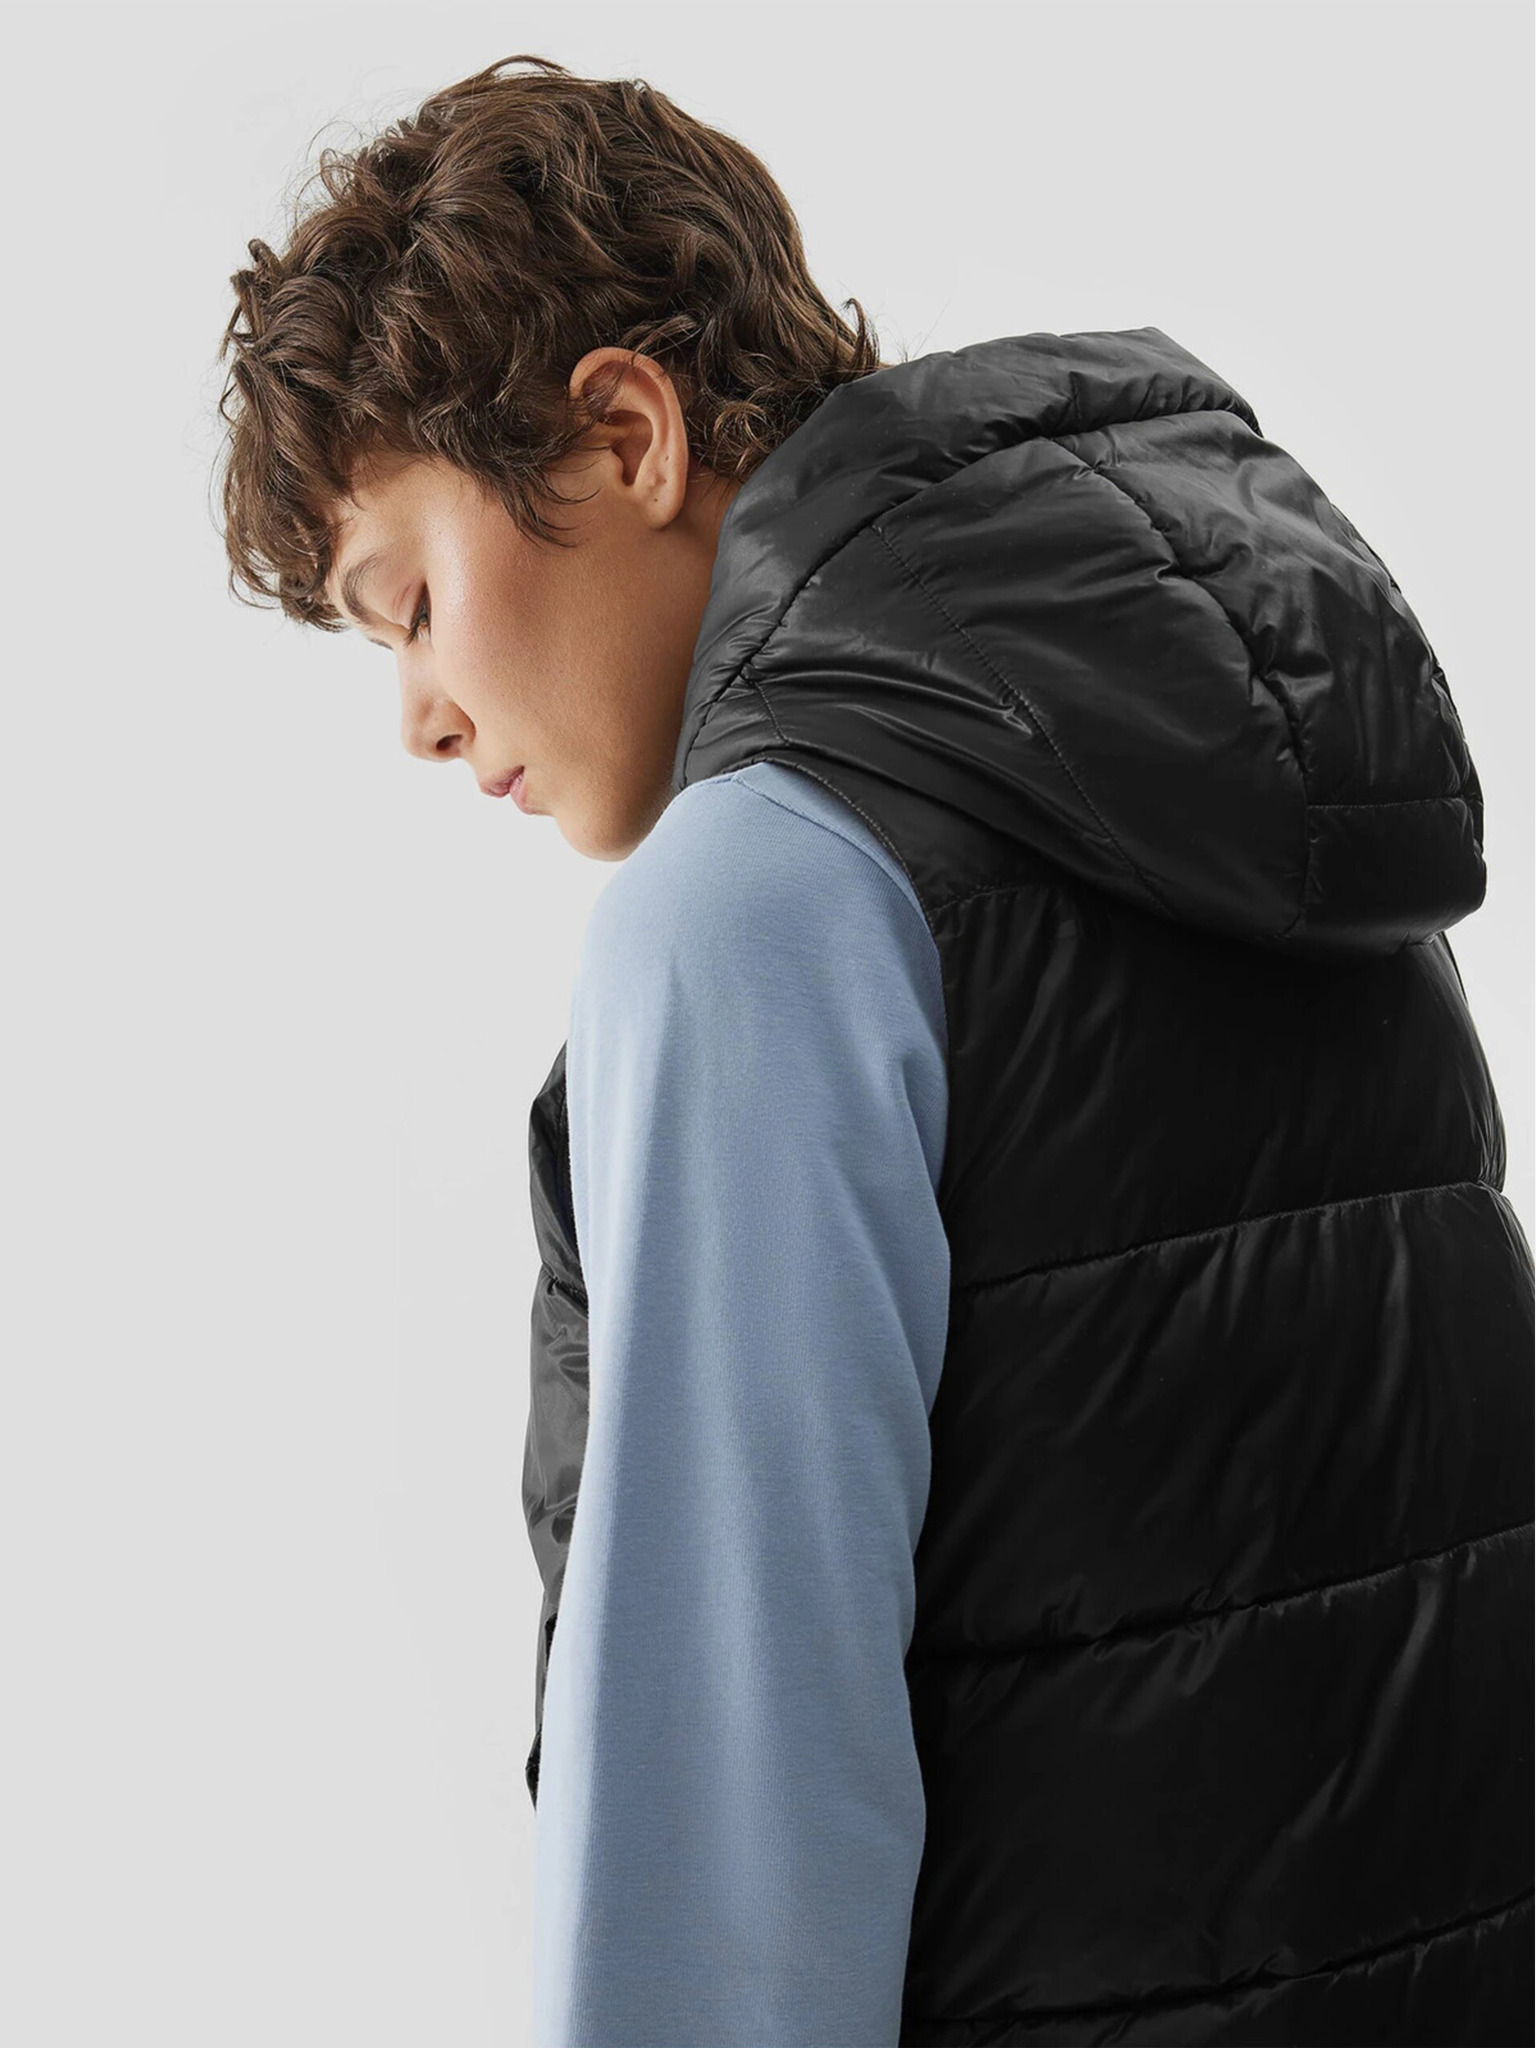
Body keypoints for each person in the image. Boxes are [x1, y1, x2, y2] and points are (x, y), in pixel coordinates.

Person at [214, 51, 1534, 2048]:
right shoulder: (1238, 787)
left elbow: (729, 1849)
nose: (416, 714)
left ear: (627, 437)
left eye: (406, 604)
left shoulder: (760, 903)